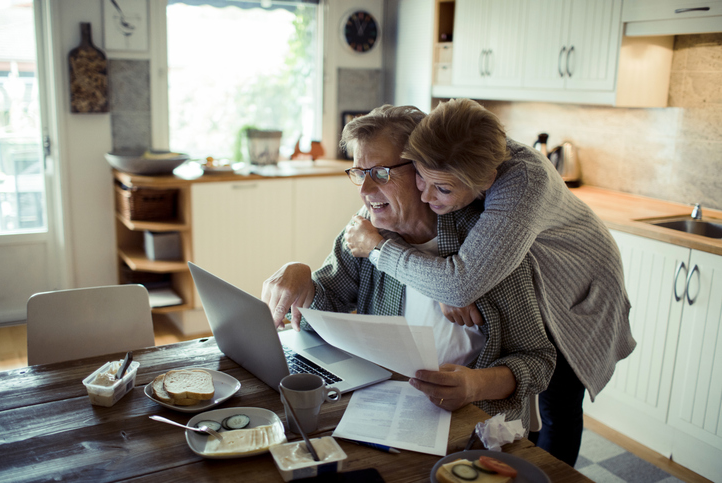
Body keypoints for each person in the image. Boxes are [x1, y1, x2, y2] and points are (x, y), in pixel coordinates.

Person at [343, 98, 635, 466]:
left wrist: (454, 282)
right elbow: (380, 192)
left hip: (578, 285)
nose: (426, 195)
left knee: (558, 402)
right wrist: (450, 281)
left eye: (443, 190)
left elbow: (459, 284)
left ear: (485, 182)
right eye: (419, 176)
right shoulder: (442, 152)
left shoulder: (523, 182)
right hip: (520, 267)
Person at [262, 105, 555, 432]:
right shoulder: (366, 231)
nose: (365, 190)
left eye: (381, 173)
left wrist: (476, 385)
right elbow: (322, 314)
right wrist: (301, 275)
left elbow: (537, 360)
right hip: (386, 406)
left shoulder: (486, 248)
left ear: (421, 168)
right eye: (359, 173)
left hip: (472, 423)